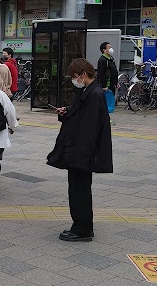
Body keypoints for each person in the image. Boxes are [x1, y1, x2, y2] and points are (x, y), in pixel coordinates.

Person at [47, 58, 113, 242]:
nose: (73, 80)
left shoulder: (94, 94)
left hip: (82, 153)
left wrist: (78, 156)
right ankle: (81, 226)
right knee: (77, 190)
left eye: (75, 76)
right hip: (80, 151)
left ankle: (82, 229)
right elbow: (80, 115)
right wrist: (66, 111)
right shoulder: (89, 91)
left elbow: (89, 128)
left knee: (80, 191)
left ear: (84, 74)